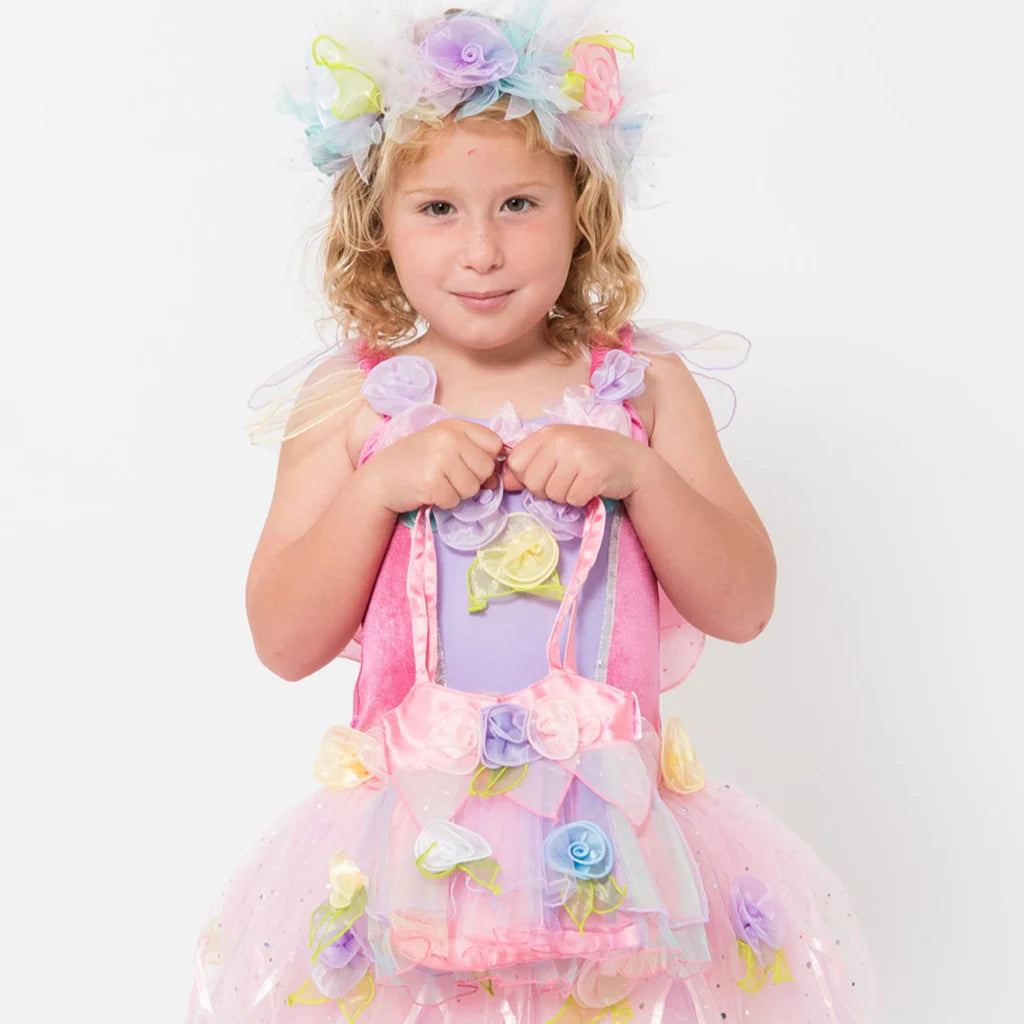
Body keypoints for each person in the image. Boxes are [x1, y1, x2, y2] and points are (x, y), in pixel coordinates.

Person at [187, 3, 884, 1021]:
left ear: (582, 209)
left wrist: (639, 476)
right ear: (377, 225)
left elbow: (743, 604)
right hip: (415, 857)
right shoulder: (352, 405)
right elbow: (284, 640)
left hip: (615, 863)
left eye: (518, 203)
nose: (481, 250)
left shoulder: (641, 387)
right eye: (437, 209)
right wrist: (376, 491)